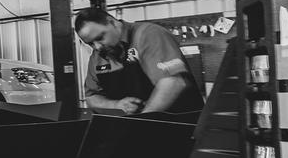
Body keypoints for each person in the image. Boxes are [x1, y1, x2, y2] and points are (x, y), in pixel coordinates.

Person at [75, 7, 203, 115]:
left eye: (100, 38)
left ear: (112, 22)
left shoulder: (149, 35)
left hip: (180, 125)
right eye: (90, 44)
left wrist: (141, 122)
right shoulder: (97, 57)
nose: (97, 47)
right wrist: (116, 105)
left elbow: (174, 82)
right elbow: (92, 97)